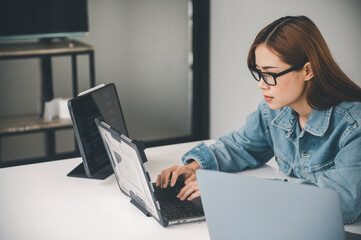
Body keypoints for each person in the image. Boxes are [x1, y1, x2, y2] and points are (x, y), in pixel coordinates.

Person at [156, 15, 361, 224]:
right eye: (259, 73)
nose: (262, 84)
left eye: (270, 74)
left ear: (308, 70)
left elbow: (342, 203)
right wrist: (194, 167)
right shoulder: (274, 111)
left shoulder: (354, 126)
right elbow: (241, 146)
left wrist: (238, 190)